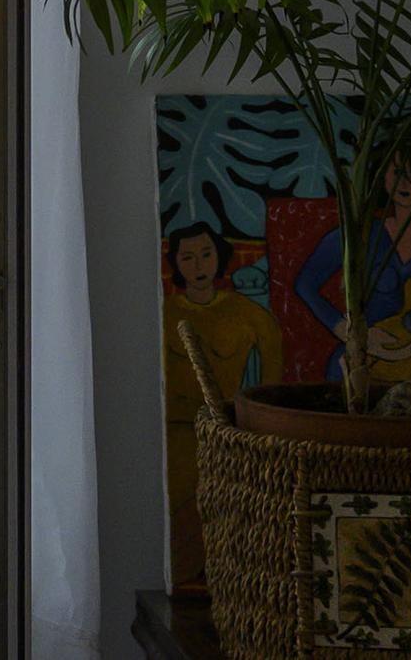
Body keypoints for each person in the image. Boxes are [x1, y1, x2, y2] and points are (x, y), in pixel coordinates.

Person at [159, 221, 281, 589]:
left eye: (206, 254)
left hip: (220, 430)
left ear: (219, 256)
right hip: (173, 432)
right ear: (176, 264)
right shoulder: (163, 313)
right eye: (188, 257)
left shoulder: (248, 314)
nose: (199, 265)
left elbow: (272, 381)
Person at [293, 146, 411, 382]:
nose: (405, 183)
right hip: (361, 366)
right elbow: (305, 283)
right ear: (382, 177)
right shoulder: (360, 234)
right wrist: (350, 334)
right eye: (398, 173)